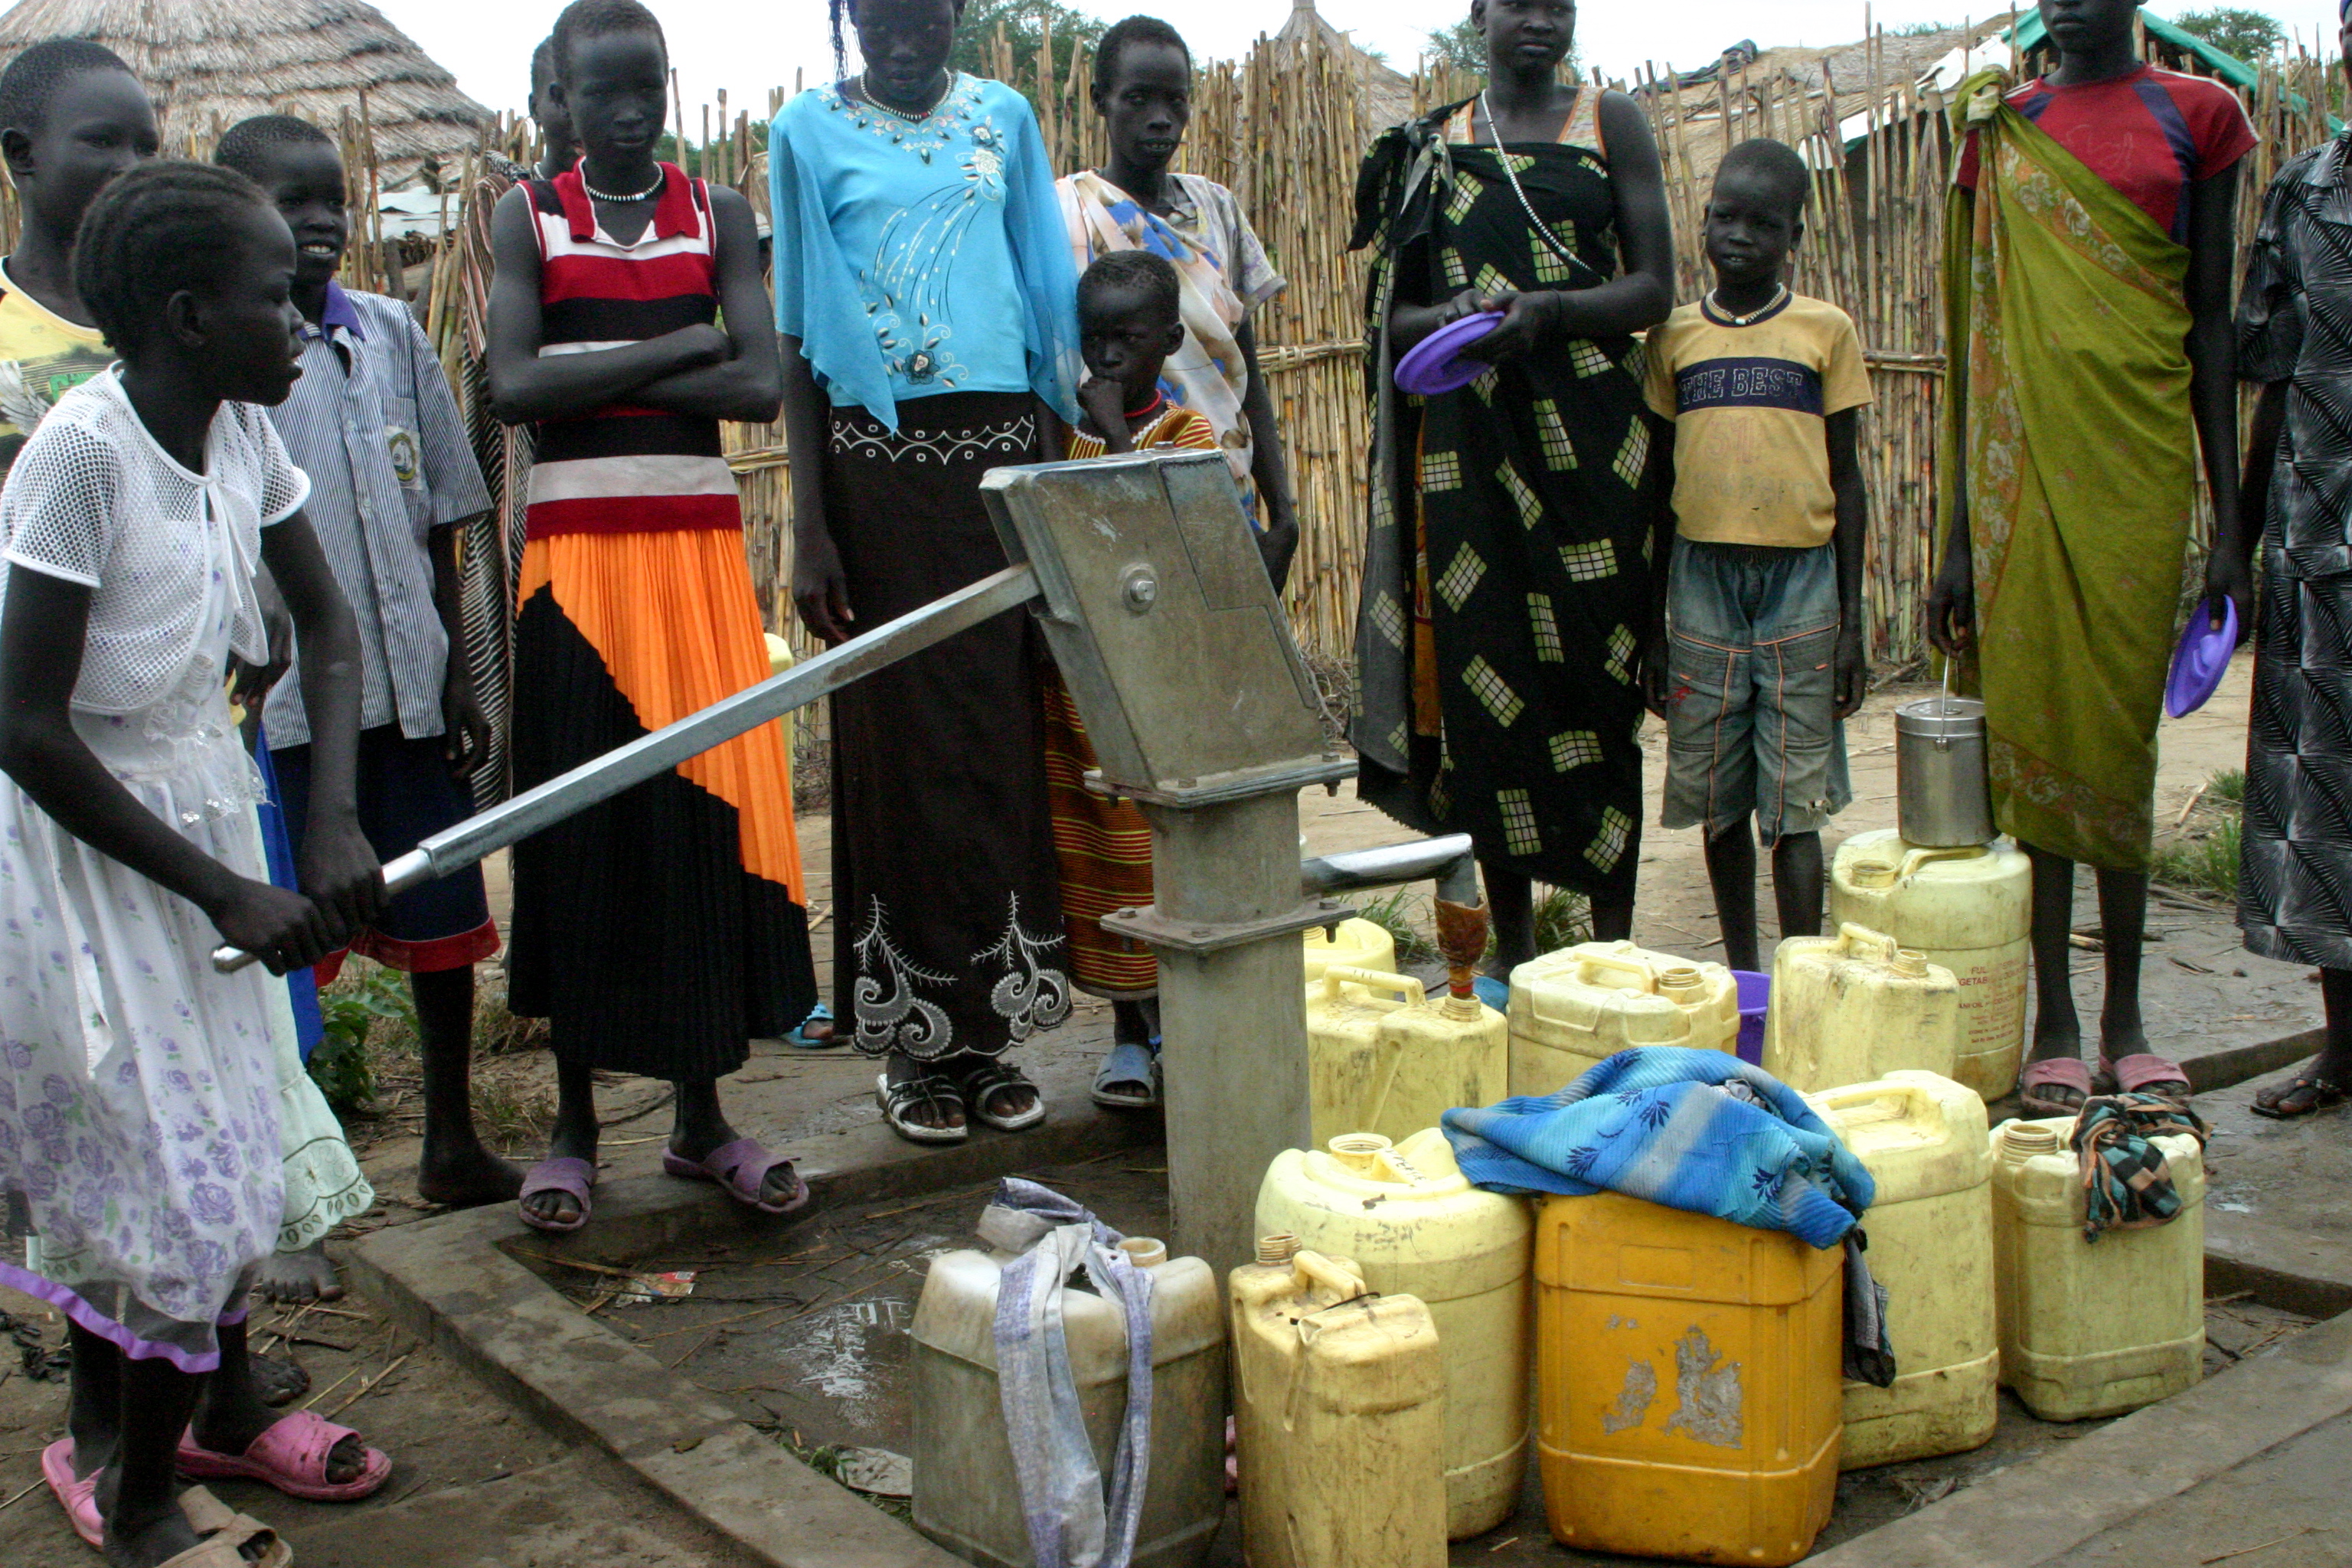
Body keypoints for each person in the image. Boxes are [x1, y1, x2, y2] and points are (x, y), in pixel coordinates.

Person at [0, 158, 397, 1563]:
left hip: (214, 806)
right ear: (183, 315)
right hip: (90, 852)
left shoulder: (242, 433)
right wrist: (224, 886)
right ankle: (140, 1492)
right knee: (176, 1173)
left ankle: (154, 1436)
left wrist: (333, 819)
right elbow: (25, 726)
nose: (303, 319)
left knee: (212, 1141)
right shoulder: (83, 457)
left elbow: (330, 630)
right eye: (274, 298)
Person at [486, 0, 818, 1231]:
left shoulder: (716, 212)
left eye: (649, 87)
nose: (630, 112)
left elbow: (759, 380)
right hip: (576, 569)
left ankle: (700, 1120)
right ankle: (573, 1129)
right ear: (563, 97)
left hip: (694, 558)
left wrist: (619, 362)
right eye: (602, 91)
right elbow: (517, 387)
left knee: (699, 813)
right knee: (580, 825)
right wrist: (684, 337)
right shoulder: (526, 217)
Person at [1926, 0, 2254, 1115]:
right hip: (2018, 481)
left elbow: (2210, 326)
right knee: (2033, 734)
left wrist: (2229, 529)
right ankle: (2055, 1017)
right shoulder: (1999, 127)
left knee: (2115, 743)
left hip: (2141, 471)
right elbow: (1973, 345)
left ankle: (2127, 1013)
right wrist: (1959, 541)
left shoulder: (2201, 115)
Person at [773, 0, 1080, 1144]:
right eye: (882, 13)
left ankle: (991, 1035)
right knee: (896, 751)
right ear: (852, 15)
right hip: (875, 479)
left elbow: (1048, 313)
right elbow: (800, 338)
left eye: (928, 9)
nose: (906, 32)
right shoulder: (804, 131)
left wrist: (1056, 498)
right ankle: (912, 1047)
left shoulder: (1005, 116)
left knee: (997, 738)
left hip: (1001, 469)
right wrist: (809, 523)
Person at [217, 115, 521, 1239]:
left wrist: (453, 674)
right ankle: (297, 1184)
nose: (317, 225)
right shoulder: (230, 361)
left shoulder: (390, 335)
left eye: (329, 202)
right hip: (292, 717)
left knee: (441, 911)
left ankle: (451, 1137)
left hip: (407, 688)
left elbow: (446, 516)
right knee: (293, 944)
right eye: (286, 204)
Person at [1350, 0, 1675, 982]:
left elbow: (1655, 288)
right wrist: (1455, 311)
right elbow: (1393, 316)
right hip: (1469, 457)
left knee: (1597, 680)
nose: (1539, 22)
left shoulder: (1611, 123)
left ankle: (1611, 951)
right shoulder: (1435, 144)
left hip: (1595, 454)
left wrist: (1549, 312)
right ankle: (1517, 960)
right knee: (1488, 695)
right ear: (1479, 14)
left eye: (1558, 5)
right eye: (1517, 3)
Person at [1054, 14, 1295, 1106]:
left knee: (1223, 763)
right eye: (1137, 96)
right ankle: (1132, 1025)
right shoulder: (1067, 212)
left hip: (1223, 509)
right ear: (1099, 99)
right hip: (1122, 534)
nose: (1159, 116)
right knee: (1128, 776)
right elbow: (1056, 368)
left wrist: (1282, 504)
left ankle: (1221, 996)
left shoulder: (1218, 211)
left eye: (1175, 97)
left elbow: (1252, 367)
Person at [1642, 139, 1870, 974]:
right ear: (1702, 221)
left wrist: (1852, 625)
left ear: (1794, 236)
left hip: (1803, 582)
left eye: (1763, 223)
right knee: (1716, 792)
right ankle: (1745, 974)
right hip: (1700, 581)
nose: (1740, 235)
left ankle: (1799, 976)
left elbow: (1848, 479)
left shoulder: (1824, 332)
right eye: (1726, 216)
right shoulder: (1672, 337)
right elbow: (1656, 489)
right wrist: (1653, 627)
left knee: (1796, 799)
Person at [2232, 3, 2352, 1121]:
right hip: (2321, 546)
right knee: (2323, 816)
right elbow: (2266, 370)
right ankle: (2343, 1050)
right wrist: (2239, 535)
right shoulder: (2306, 194)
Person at [0, 38, 155, 474]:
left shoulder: (172, 316)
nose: (132, 168)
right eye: (101, 141)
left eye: (147, 149)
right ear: (21, 153)